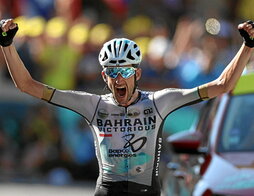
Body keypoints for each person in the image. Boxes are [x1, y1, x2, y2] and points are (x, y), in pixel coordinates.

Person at [0, 18, 254, 196]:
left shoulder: (159, 102)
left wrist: (247, 46)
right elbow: (27, 85)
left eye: (124, 71)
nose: (118, 78)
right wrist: (7, 45)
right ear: (104, 77)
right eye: (112, 72)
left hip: (147, 191)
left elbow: (222, 85)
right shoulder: (93, 105)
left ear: (138, 74)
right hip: (108, 190)